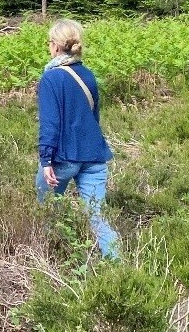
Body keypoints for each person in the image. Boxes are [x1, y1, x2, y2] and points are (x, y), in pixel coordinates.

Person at [37, 19, 120, 259]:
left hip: (63, 157)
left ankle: (53, 259)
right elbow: (93, 116)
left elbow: (50, 123)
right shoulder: (88, 75)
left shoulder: (51, 78)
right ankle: (118, 265)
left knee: (48, 210)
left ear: (54, 46)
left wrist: (46, 161)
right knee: (96, 216)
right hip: (94, 155)